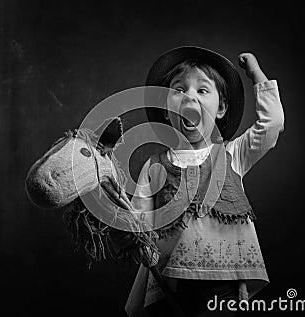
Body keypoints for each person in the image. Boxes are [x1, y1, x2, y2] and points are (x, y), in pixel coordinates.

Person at [109, 46, 284, 317]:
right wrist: (124, 231)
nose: (189, 97)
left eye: (202, 90)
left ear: (221, 108)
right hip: (172, 285)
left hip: (222, 282)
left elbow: (272, 125)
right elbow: (139, 224)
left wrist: (256, 74)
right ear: (167, 112)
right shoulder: (155, 166)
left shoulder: (232, 155)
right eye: (179, 90)